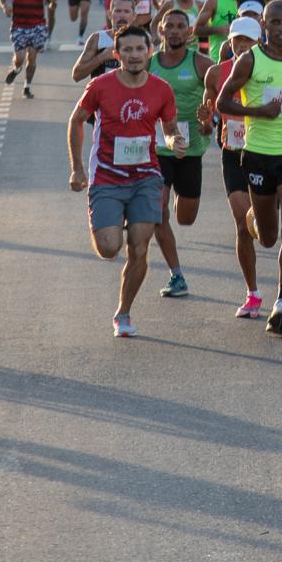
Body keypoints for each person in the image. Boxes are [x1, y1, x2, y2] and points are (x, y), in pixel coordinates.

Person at [214, 0, 282, 333]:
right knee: (266, 237)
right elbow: (223, 101)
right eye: (273, 22)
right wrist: (259, 112)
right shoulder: (250, 60)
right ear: (263, 25)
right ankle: (251, 218)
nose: (280, 29)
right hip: (258, 154)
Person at [67, 26, 183, 338]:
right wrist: (77, 168)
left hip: (146, 176)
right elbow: (76, 121)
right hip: (106, 176)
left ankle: (124, 312)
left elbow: (169, 128)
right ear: (117, 54)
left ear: (149, 52)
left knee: (140, 247)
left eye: (139, 49)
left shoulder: (161, 89)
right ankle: (108, 220)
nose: (134, 55)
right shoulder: (100, 86)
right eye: (127, 50)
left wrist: (175, 141)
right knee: (109, 248)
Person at [204, 16, 266, 318]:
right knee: (242, 223)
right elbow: (209, 116)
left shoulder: (271, 69)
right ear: (229, 42)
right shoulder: (217, 73)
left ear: (259, 43)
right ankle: (252, 293)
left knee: (267, 230)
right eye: (237, 40)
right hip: (233, 153)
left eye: (248, 41)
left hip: (268, 152)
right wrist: (205, 121)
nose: (242, 46)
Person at [150, 6, 212, 300]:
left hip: (191, 148)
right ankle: (176, 274)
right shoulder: (148, 64)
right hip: (158, 147)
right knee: (157, 209)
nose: (174, 31)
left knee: (185, 217)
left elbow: (218, 100)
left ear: (189, 33)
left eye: (180, 26)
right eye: (169, 26)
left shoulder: (201, 63)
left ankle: (174, 196)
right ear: (160, 30)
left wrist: (209, 120)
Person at [0, 0, 56, 99]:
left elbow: (50, 1)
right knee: (20, 57)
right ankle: (16, 69)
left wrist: (52, 4)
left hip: (37, 25)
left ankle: (27, 87)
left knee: (32, 58)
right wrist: (5, 7)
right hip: (19, 25)